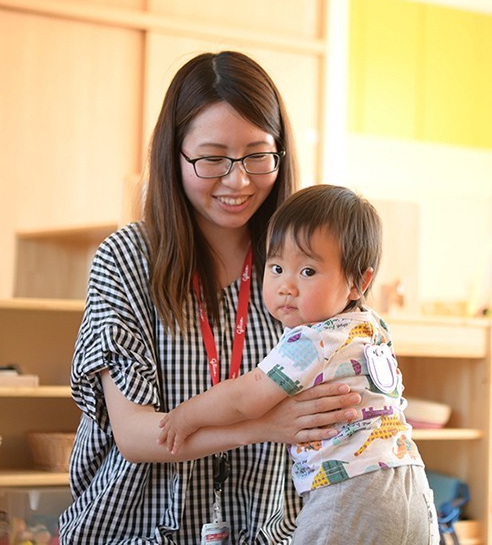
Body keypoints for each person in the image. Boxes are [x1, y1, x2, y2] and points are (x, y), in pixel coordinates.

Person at [58, 51, 362, 544]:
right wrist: (262, 424)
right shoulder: (127, 259)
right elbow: (136, 436)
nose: (238, 180)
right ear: (174, 154)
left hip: (272, 531)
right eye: (213, 157)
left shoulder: (304, 268)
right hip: (138, 530)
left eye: (257, 155)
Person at [157, 184, 440, 545]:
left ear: (358, 282)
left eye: (307, 272)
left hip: (350, 492)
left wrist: (187, 415)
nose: (286, 285)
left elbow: (246, 397)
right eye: (276, 267)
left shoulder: (313, 339)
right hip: (411, 487)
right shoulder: (370, 325)